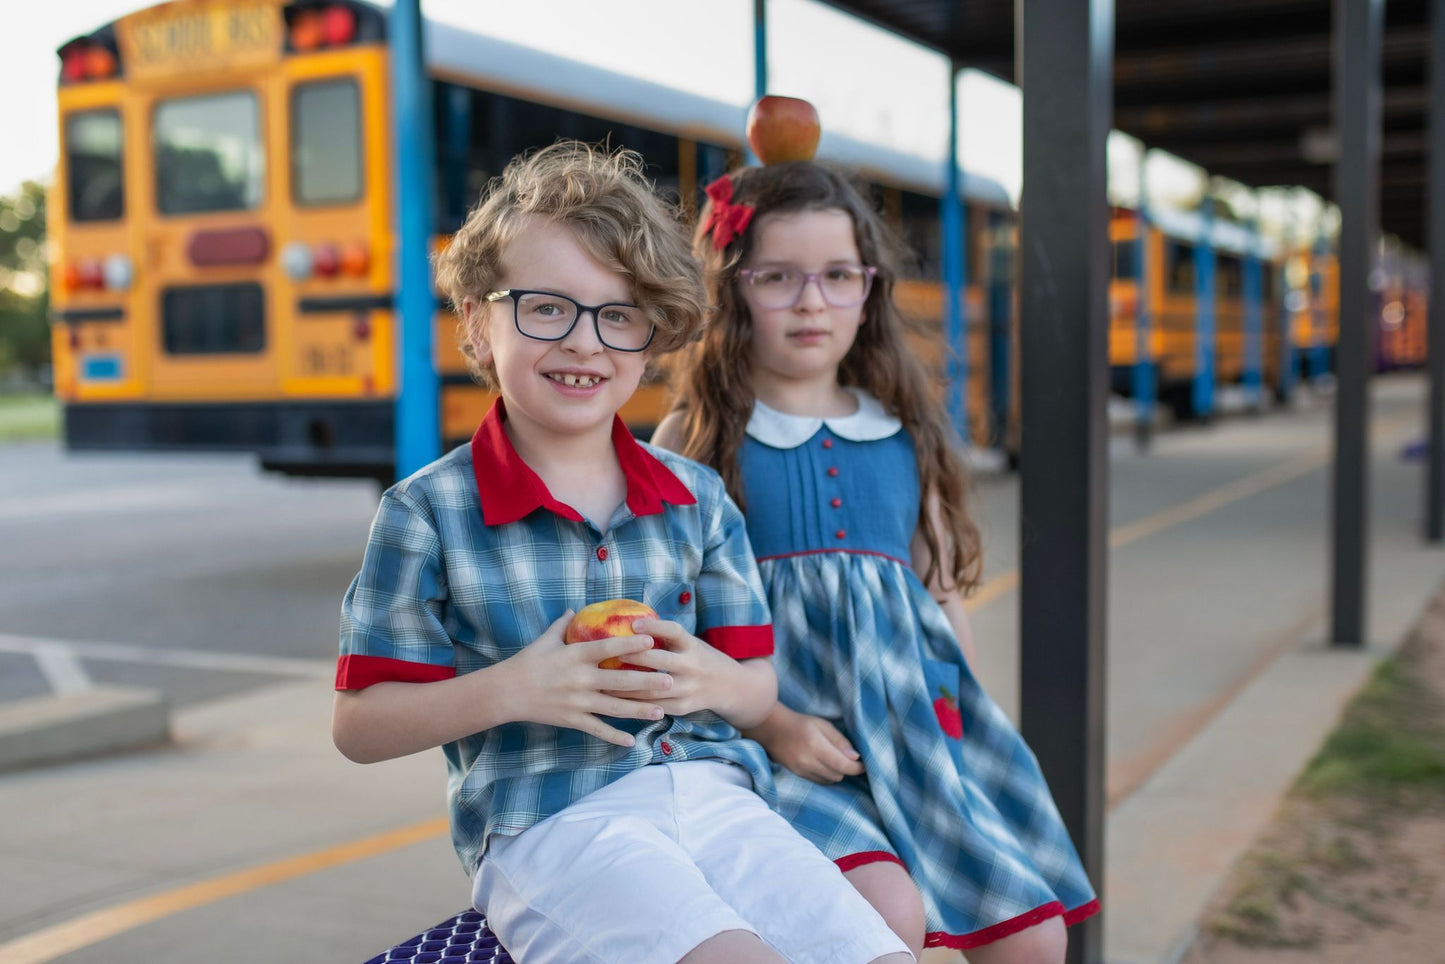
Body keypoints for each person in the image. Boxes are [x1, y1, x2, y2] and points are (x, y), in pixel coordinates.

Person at [331, 142, 913, 964]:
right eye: (544, 308)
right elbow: (358, 725)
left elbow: (756, 682)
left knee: (884, 954)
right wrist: (516, 687)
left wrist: (705, 678)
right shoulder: (427, 512)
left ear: (651, 332)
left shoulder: (696, 499)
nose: (584, 342)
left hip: (719, 798)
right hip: (554, 823)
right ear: (475, 319)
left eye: (617, 313)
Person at [653, 160, 1099, 961]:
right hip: (773, 745)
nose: (811, 301)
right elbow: (670, 626)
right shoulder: (696, 441)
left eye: (836, 276)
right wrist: (774, 723)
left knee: (1033, 941)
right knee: (881, 914)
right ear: (732, 289)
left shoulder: (901, 434)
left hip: (913, 737)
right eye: (778, 278)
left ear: (869, 288)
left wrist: (959, 725)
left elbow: (935, 597)